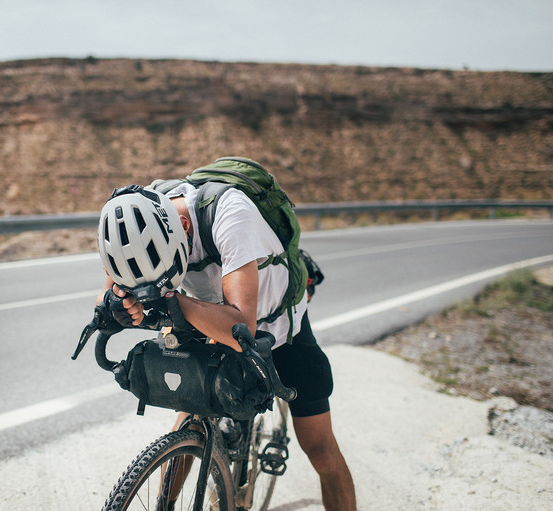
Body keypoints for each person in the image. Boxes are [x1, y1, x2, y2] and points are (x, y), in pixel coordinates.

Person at [96, 181, 357, 510]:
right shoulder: (133, 220)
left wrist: (170, 300)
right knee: (190, 412)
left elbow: (240, 326)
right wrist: (116, 303)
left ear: (184, 227)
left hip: (274, 325)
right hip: (209, 311)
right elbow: (111, 290)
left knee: (319, 448)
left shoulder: (231, 215)